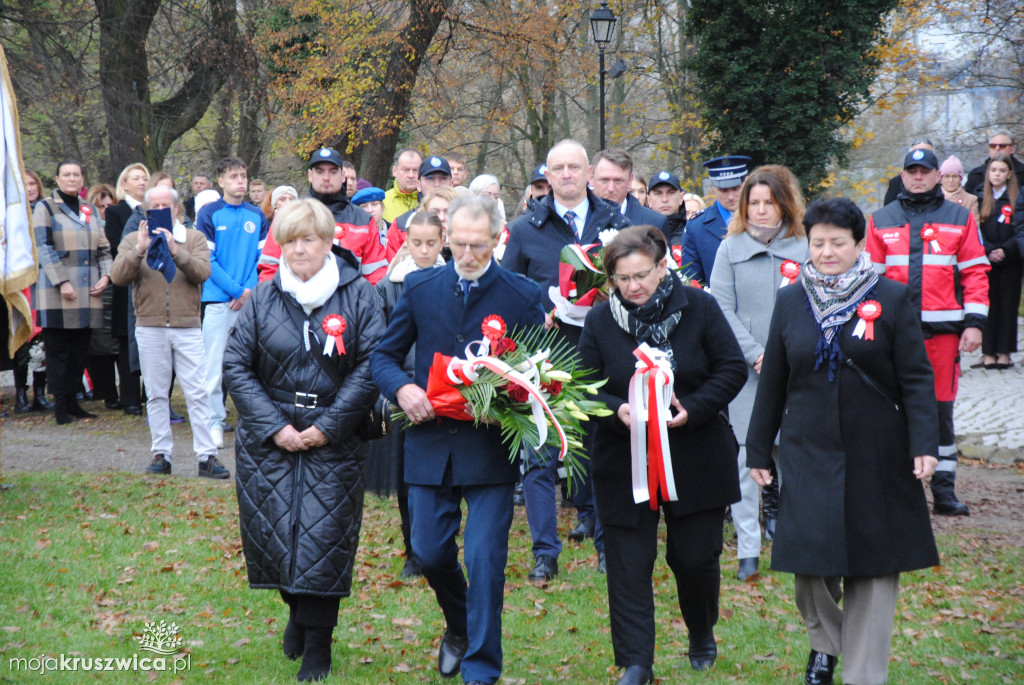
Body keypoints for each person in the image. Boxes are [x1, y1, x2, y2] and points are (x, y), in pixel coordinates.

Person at [747, 196, 941, 685]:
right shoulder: (792, 299)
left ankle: (862, 673)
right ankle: (827, 644)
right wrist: (756, 448)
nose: (828, 251)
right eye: (818, 243)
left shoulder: (891, 299)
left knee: (874, 569)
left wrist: (925, 443)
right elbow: (773, 379)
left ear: (859, 244)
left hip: (877, 450)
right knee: (808, 564)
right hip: (807, 449)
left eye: (838, 242)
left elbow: (917, 378)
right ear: (806, 244)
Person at [371, 195, 545, 685]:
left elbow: (540, 373)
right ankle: (459, 625)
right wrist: (403, 388)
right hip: (429, 441)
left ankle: (481, 671)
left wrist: (509, 403)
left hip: (489, 448)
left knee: (485, 561)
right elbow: (384, 356)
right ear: (447, 239)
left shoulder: (522, 294)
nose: (468, 256)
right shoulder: (422, 286)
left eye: (479, 246)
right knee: (427, 552)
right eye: (460, 245)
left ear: (497, 239)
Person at [578, 225, 747, 684]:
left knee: (694, 558)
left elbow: (731, 368)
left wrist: (693, 408)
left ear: (663, 265)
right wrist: (620, 411)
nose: (634, 286)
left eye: (642, 275)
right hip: (623, 458)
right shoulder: (599, 320)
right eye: (622, 278)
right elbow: (584, 389)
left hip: (694, 456)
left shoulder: (701, 307)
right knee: (628, 563)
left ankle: (701, 632)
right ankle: (636, 661)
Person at [224, 198, 384, 682]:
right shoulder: (265, 298)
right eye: (289, 239)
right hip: (267, 442)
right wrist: (275, 426)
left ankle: (319, 645)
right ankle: (295, 607)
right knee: (273, 538)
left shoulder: (358, 296)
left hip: (334, 440)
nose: (298, 249)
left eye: (308, 239)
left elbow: (371, 365)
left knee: (324, 541)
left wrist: (327, 426)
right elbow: (235, 365)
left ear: (328, 240)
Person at [504, 139, 631, 581]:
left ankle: (603, 545)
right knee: (540, 454)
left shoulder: (615, 220)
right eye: (557, 168)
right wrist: (533, 314)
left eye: (575, 167)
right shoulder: (525, 228)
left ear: (589, 173)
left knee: (600, 452)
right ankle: (545, 552)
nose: (566, 175)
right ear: (548, 174)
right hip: (545, 353)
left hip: (603, 353)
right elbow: (509, 287)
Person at [866, 147, 989, 517]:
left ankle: (944, 491)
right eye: (912, 171)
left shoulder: (960, 218)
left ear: (939, 176)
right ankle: (895, 486)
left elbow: (975, 273)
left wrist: (976, 324)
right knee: (888, 409)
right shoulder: (880, 220)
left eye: (925, 171)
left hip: (944, 333)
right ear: (902, 177)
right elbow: (870, 282)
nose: (918, 177)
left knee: (938, 410)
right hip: (891, 335)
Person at [709, 165, 807, 581]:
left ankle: (797, 544)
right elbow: (721, 308)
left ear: (785, 204)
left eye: (770, 203)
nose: (763, 211)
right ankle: (747, 550)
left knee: (795, 459)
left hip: (799, 372)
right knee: (749, 460)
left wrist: (787, 357)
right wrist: (755, 354)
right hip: (750, 375)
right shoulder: (729, 248)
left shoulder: (805, 247)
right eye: (755, 203)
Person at [109, 185, 226, 477]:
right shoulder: (135, 238)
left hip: (187, 326)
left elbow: (202, 273)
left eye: (166, 204)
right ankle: (161, 455)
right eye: (155, 206)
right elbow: (118, 276)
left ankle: (207, 456)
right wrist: (138, 251)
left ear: (176, 209)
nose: (161, 209)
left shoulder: (194, 237)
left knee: (197, 392)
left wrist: (176, 251)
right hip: (150, 325)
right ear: (147, 211)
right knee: (157, 393)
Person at [370, 210, 447, 578]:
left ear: (442, 242)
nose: (424, 250)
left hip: (446, 390)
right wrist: (398, 384)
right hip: (405, 392)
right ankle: (413, 551)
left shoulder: (453, 282)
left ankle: (440, 545)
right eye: (416, 243)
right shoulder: (389, 286)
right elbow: (382, 342)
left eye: (431, 243)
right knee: (406, 476)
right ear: (405, 242)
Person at [32, 160, 113, 424]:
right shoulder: (46, 207)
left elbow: (103, 249)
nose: (71, 178)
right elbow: (43, 247)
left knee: (80, 348)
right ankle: (60, 406)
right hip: (57, 289)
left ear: (82, 179)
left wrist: (107, 275)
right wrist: (62, 281)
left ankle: (74, 401)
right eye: (66, 174)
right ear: (57, 178)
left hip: (88, 290)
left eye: (76, 174)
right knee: (58, 350)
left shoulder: (90, 209)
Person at [197, 157, 269, 450]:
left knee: (254, 366)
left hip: (251, 303)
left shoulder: (257, 215)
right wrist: (236, 291)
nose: (240, 181)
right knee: (213, 367)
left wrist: (248, 291)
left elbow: (261, 260)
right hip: (218, 301)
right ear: (221, 181)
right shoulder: (208, 214)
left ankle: (254, 422)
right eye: (234, 177)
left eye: (244, 176)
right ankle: (214, 421)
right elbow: (208, 260)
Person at [258, 149, 387, 285]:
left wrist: (365, 304)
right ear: (310, 175)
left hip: (350, 303)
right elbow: (269, 270)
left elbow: (376, 275)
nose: (326, 177)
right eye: (320, 171)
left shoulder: (363, 220)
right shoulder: (287, 216)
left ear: (343, 176)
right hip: (296, 303)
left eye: (333, 172)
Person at [103, 162, 150, 416]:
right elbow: (113, 246)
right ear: (124, 184)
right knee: (127, 341)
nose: (142, 182)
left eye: (145, 178)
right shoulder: (116, 212)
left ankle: (148, 394)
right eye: (136, 178)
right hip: (127, 281)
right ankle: (130, 398)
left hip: (150, 281)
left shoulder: (154, 210)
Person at [973, 153, 1021, 370]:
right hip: (987, 260)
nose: (997, 174)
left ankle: (1005, 351)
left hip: (1010, 260)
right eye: (994, 170)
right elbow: (977, 230)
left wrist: (1006, 249)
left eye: (1002, 171)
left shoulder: (1016, 198)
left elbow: (1019, 229)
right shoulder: (980, 198)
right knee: (988, 306)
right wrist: (990, 250)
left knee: (1008, 305)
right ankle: (988, 351)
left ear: (1009, 173)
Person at [679, 155, 751, 283]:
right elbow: (692, 283)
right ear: (713, 185)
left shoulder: (763, 219)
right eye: (723, 190)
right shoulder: (696, 227)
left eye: (736, 188)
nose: (730, 196)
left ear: (746, 182)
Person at [385, 156, 453, 260]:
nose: (437, 184)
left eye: (443, 178)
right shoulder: (401, 225)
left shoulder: (467, 223)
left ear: (451, 184)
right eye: (430, 178)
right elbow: (391, 271)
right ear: (418, 185)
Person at [592, 149, 667, 231]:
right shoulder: (577, 218)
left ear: (630, 180)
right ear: (591, 178)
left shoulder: (655, 222)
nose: (611, 188)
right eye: (604, 180)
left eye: (618, 180)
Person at [965, 131, 1024, 196]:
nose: (997, 149)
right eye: (993, 146)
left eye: (1002, 146)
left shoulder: (1022, 173)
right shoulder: (976, 175)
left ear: (1012, 149)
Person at [647, 171, 687, 265]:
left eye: (671, 193)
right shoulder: (639, 233)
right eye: (658, 194)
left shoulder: (692, 232)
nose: (665, 199)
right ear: (649, 200)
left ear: (681, 198)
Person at [883, 139, 935, 205]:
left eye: (927, 153)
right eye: (917, 153)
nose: (918, 177)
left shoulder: (945, 181)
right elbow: (888, 211)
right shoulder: (896, 183)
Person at [383, 148, 423, 222]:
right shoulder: (382, 202)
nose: (411, 175)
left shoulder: (430, 201)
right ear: (394, 171)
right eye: (405, 170)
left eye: (416, 170)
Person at [938, 156, 979, 226]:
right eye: (947, 176)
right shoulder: (933, 198)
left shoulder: (971, 200)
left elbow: (974, 226)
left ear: (961, 179)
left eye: (955, 176)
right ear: (941, 178)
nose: (950, 181)